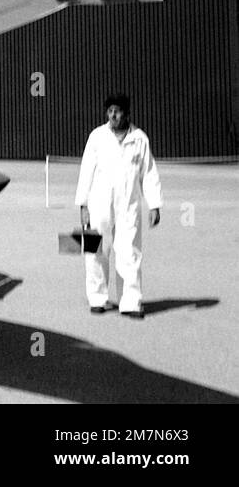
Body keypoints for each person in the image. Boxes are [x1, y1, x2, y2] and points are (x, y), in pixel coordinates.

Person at [75, 92, 162, 318]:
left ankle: (131, 302)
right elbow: (86, 171)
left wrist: (154, 205)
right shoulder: (97, 137)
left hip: (128, 205)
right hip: (99, 203)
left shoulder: (140, 138)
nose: (113, 115)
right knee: (95, 249)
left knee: (130, 251)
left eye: (118, 111)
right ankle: (97, 298)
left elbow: (149, 173)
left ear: (127, 113)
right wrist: (83, 205)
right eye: (110, 111)